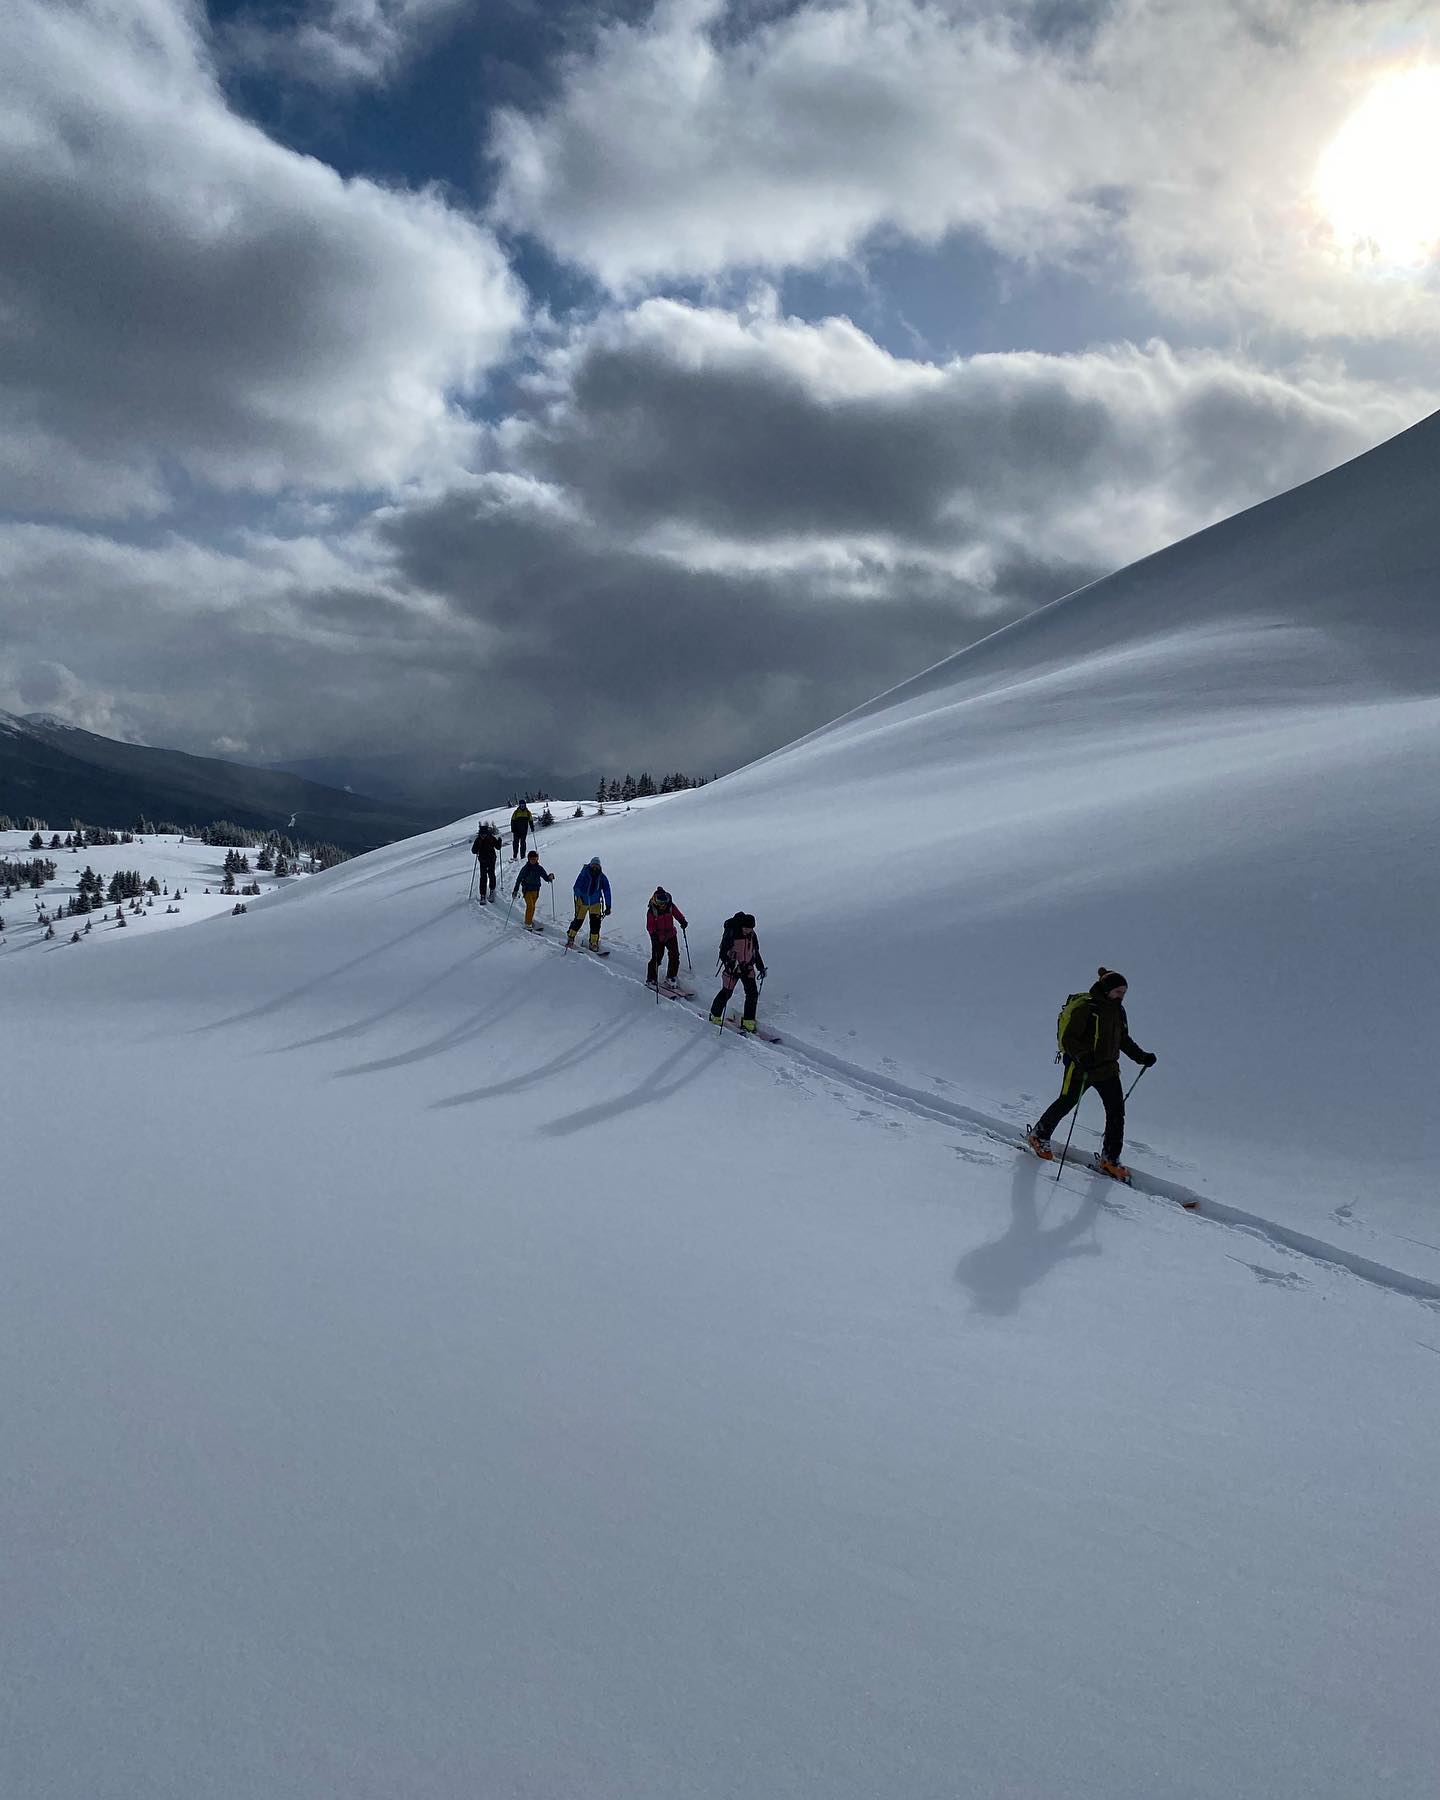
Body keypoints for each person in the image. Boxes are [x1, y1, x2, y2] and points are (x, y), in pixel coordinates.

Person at [1026, 968, 1157, 1179]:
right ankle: (1038, 1136)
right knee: (1066, 1102)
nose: (1121, 996)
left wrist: (1141, 1057)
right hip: (1081, 1068)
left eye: (1124, 992)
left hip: (1108, 1069)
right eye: (1118, 991)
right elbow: (1069, 1039)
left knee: (1116, 1112)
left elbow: (1122, 1040)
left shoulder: (1118, 1011)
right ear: (1107, 990)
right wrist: (1082, 1056)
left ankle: (1110, 1159)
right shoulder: (1087, 1008)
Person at [709, 912, 767, 1032]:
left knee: (752, 994)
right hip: (733, 969)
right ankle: (715, 1015)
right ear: (742, 926)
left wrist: (761, 967)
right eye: (746, 928)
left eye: (751, 928)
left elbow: (755, 952)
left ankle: (748, 1021)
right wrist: (729, 964)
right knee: (726, 992)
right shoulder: (731, 933)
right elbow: (723, 953)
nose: (748, 930)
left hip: (747, 968)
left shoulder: (752, 935)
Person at [644, 887, 689, 988]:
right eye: (660, 902)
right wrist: (653, 935)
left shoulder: (670, 906)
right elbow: (649, 926)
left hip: (670, 934)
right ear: (656, 900)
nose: (663, 905)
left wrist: (682, 921)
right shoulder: (652, 911)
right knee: (656, 957)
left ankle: (671, 976)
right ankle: (651, 979)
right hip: (658, 936)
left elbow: (677, 914)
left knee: (675, 956)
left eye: (664, 902)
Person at [566, 857, 612, 950]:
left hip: (595, 903)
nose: (595, 867)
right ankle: (571, 937)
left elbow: (607, 891)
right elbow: (576, 887)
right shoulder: (584, 874)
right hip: (582, 902)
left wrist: (608, 905)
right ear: (590, 865)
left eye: (597, 866)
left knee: (595, 924)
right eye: (593, 865)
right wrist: (579, 897)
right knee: (578, 921)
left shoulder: (602, 877)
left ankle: (593, 942)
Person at [511, 850, 554, 928]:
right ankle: (527, 924)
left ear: (537, 859)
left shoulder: (539, 868)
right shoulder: (525, 868)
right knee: (530, 906)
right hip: (527, 890)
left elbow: (545, 877)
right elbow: (519, 879)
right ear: (529, 859)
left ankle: (529, 920)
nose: (533, 861)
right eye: (531, 859)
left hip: (536, 890)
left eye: (535, 859)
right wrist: (515, 890)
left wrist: (550, 877)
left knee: (533, 906)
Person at [470, 820, 502, 901]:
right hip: (485, 860)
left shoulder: (485, 839)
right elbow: (473, 851)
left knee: (488, 876)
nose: (483, 835)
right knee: (486, 876)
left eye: (484, 834)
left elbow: (498, 847)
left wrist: (499, 842)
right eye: (482, 834)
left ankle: (489, 892)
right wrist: (499, 841)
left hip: (489, 860)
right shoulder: (485, 839)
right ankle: (484, 894)